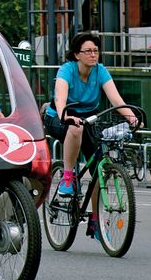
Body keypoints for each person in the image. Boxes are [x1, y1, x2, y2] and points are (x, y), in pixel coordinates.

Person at [43, 31, 137, 240]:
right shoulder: (67, 70)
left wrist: (132, 117)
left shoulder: (100, 71)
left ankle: (95, 219)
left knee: (98, 171)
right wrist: (64, 115)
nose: (93, 55)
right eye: (88, 51)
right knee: (74, 129)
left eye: (96, 51)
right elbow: (60, 98)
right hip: (59, 117)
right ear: (77, 55)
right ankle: (68, 177)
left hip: (89, 120)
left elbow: (116, 99)